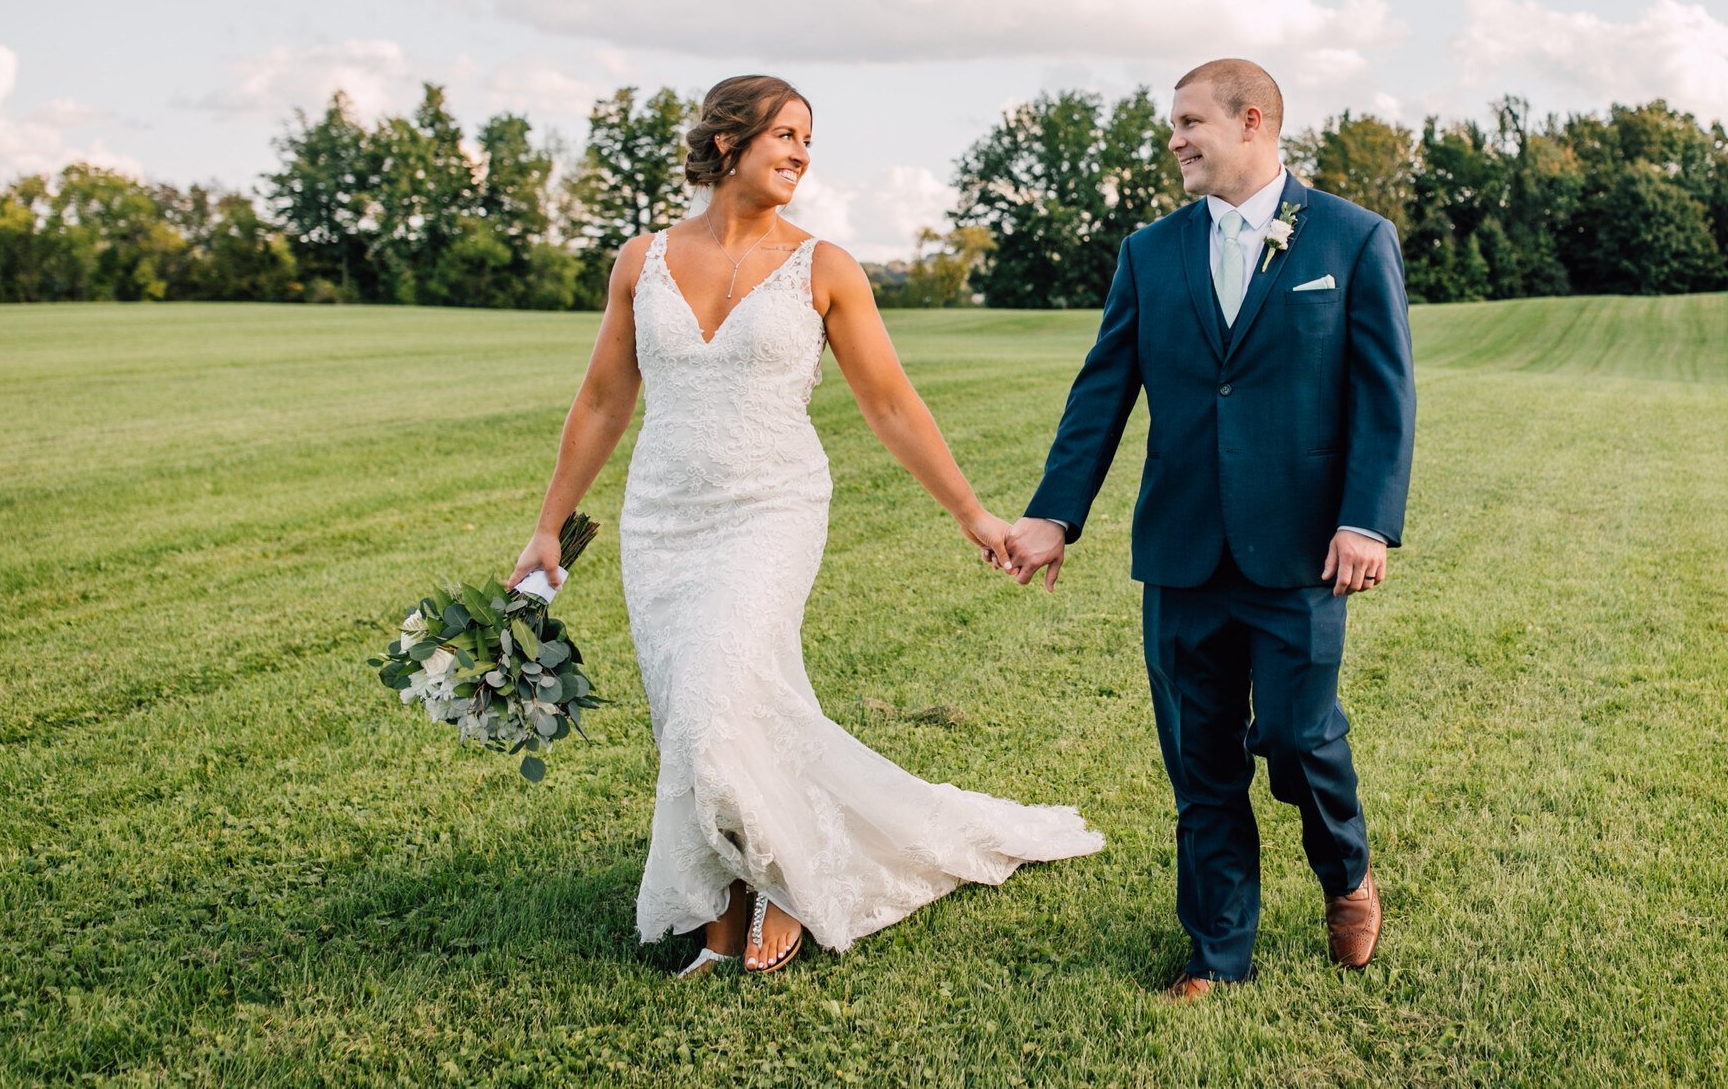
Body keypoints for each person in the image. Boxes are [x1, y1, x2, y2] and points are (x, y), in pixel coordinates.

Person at [509, 73, 1102, 978]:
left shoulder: (825, 267)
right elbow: (600, 399)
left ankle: (783, 883)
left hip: (771, 510)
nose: (801, 155)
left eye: (807, 140)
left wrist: (973, 512)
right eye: (785, 135)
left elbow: (893, 405)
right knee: (701, 716)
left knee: (715, 701)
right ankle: (731, 893)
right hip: (663, 520)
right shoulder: (642, 259)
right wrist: (549, 525)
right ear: (724, 144)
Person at [1004, 57, 1415, 1000]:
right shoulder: (1150, 252)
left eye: (1190, 121)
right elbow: (1102, 391)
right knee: (1201, 757)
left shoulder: (1352, 240)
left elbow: (1384, 397)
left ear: (1253, 120)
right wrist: (1055, 514)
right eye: (1173, 125)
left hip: (1305, 549)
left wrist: (1368, 522)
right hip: (1183, 549)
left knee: (1298, 737)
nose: (1176, 140)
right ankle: (1218, 951)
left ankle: (1345, 873)